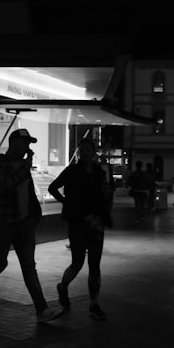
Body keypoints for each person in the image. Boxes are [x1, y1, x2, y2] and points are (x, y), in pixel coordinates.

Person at [0, 129, 64, 324]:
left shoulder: (23, 166)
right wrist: (25, 167)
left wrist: (35, 216)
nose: (28, 148)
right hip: (4, 223)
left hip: (25, 224)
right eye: (25, 143)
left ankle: (42, 309)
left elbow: (28, 194)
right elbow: (5, 186)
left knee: (29, 267)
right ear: (15, 143)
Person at [48, 138, 112, 321]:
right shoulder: (72, 171)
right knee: (77, 262)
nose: (84, 153)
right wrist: (67, 203)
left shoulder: (99, 172)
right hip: (77, 222)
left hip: (96, 223)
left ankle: (94, 303)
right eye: (81, 150)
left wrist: (105, 201)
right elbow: (53, 187)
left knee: (95, 264)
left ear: (93, 152)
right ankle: (63, 286)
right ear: (78, 153)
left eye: (88, 150)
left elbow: (104, 195)